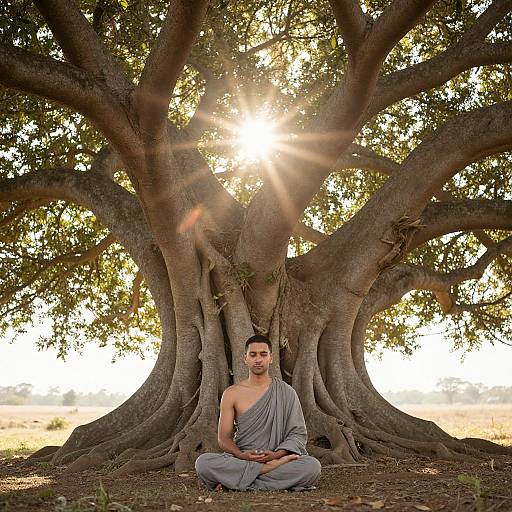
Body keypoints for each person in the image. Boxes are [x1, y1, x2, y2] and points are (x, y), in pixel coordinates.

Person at [195, 334, 321, 491]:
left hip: (276, 457)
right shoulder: (232, 393)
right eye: (253, 354)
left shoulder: (287, 392)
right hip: (244, 458)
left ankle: (234, 481)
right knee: (203, 463)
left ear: (271, 358)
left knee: (312, 467)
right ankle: (265, 472)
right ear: (245, 358)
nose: (258, 359)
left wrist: (276, 456)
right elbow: (223, 438)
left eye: (263, 354)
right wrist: (241, 455)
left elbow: (297, 435)